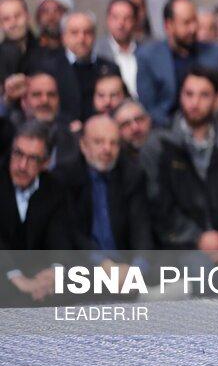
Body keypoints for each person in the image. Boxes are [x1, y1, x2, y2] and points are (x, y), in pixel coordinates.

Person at [152, 67, 218, 253]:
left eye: (204, 95)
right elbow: (158, 205)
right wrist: (198, 238)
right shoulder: (161, 144)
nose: (195, 102)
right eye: (189, 94)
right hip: (179, 247)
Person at [0, 121, 74, 305]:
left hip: (37, 276)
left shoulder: (54, 188)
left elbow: (60, 239)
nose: (22, 166)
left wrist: (53, 273)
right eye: (18, 154)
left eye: (32, 159)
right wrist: (16, 278)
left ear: (46, 163)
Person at [61, 115, 153, 254]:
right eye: (98, 142)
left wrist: (139, 264)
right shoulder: (66, 176)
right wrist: (101, 262)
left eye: (114, 143)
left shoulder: (132, 175)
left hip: (124, 262)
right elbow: (71, 233)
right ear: (83, 145)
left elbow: (141, 230)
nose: (107, 149)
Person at [136, 0, 218, 127]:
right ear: (168, 26)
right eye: (186, 23)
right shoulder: (148, 57)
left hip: (209, 126)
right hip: (164, 128)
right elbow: (148, 106)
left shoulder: (215, 54)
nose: (193, 28)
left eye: (195, 21)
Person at [1, 72, 80, 169]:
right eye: (37, 95)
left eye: (51, 95)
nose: (45, 100)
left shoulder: (70, 136)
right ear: (24, 101)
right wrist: (7, 100)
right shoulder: (11, 129)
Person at [95, 0, 140, 96]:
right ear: (108, 19)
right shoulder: (96, 52)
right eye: (115, 17)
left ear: (135, 21)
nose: (121, 24)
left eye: (127, 18)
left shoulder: (146, 51)